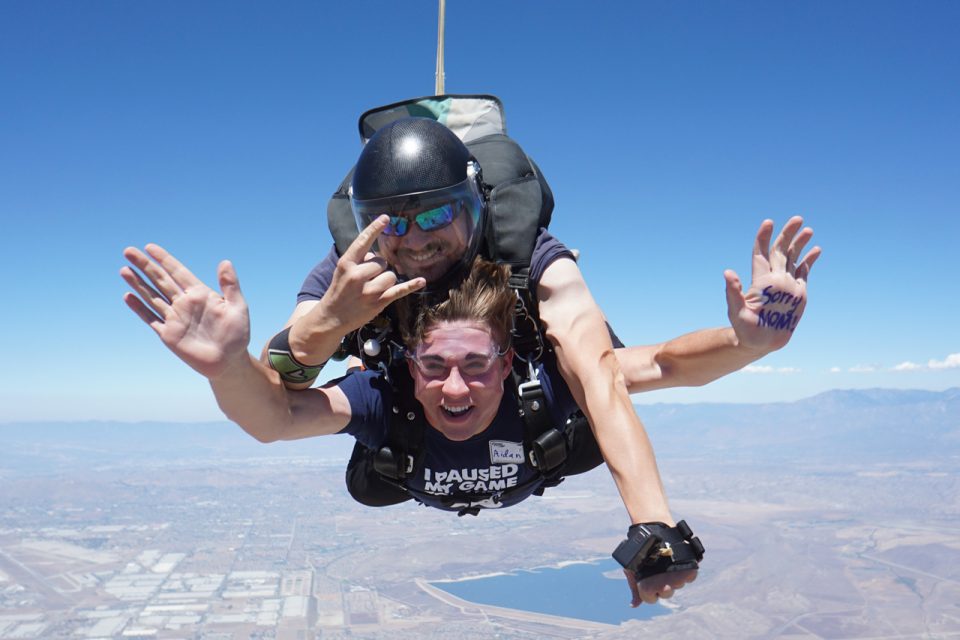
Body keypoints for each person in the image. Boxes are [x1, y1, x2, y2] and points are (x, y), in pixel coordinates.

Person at [262, 115, 821, 545]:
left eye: (435, 215)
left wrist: (652, 524)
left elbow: (614, 377)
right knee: (372, 480)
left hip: (527, 421)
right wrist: (333, 320)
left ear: (474, 205)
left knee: (579, 398)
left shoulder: (533, 259)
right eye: (393, 223)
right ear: (366, 227)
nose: (414, 242)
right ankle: (388, 379)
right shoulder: (349, 270)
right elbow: (275, 382)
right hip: (411, 427)